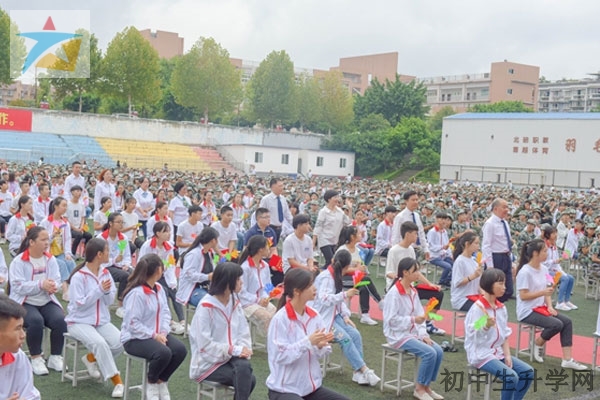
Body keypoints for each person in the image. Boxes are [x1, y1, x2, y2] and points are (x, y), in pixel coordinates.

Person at [266, 269, 349, 400]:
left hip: (311, 389)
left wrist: (320, 346)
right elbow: (280, 356)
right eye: (310, 285)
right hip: (284, 390)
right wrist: (308, 342)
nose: (314, 288)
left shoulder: (315, 315)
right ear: (297, 291)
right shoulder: (280, 319)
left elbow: (321, 352)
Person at [121, 253, 187, 400]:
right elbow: (132, 323)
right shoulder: (137, 294)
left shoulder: (159, 289)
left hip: (157, 334)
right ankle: (151, 382)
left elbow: (165, 312)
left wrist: (163, 332)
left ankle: (161, 381)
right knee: (164, 353)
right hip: (135, 338)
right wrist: (154, 335)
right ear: (158, 270)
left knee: (180, 350)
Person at [65, 238, 124, 398]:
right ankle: (117, 381)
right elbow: (79, 304)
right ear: (99, 254)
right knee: (100, 343)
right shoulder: (79, 277)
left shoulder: (106, 273)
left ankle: (91, 358)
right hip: (78, 321)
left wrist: (105, 292)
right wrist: (99, 290)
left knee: (120, 341)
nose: (109, 254)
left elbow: (109, 300)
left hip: (101, 321)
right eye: (107, 251)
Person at [311, 250, 380, 386]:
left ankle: (357, 372)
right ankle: (364, 370)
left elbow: (339, 301)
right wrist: (345, 295)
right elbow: (324, 299)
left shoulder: (335, 275)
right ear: (347, 267)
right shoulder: (327, 277)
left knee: (355, 334)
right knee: (346, 339)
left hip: (334, 316)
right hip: (322, 319)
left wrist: (345, 315)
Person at [515, 239, 587, 370]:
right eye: (544, 251)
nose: (547, 254)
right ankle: (537, 343)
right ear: (535, 253)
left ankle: (567, 359)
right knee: (556, 324)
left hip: (541, 308)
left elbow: (547, 288)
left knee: (567, 322)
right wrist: (543, 292)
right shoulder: (524, 272)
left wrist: (550, 306)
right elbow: (523, 296)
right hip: (527, 311)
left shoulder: (544, 269)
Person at [189, 262, 256, 399]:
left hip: (230, 357)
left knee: (245, 370)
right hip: (207, 363)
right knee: (248, 378)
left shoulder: (234, 302)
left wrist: (244, 349)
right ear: (227, 282)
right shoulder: (206, 308)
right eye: (238, 279)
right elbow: (204, 346)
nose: (241, 282)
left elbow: (243, 331)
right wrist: (233, 350)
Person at [464, 269, 534, 400]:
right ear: (489, 284)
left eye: (504, 283)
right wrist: (486, 325)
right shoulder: (478, 309)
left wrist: (507, 355)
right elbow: (472, 332)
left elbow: (504, 335)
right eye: (500, 284)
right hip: (481, 354)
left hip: (497, 352)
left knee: (527, 372)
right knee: (511, 377)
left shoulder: (501, 308)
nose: (504, 287)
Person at [383, 257, 444, 400]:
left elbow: (420, 315)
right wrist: (413, 320)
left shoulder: (413, 291)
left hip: (412, 333)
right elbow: (391, 321)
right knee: (429, 353)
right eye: (415, 271)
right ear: (405, 273)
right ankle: (419, 389)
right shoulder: (394, 293)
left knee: (438, 351)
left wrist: (423, 334)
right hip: (397, 335)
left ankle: (426, 386)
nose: (418, 274)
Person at [8, 227, 67, 376]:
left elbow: (57, 279)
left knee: (60, 320)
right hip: (24, 302)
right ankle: (36, 358)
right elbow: (18, 286)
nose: (47, 243)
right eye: (43, 239)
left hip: (46, 300)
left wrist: (53, 286)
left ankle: (55, 356)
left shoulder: (50, 259)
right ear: (31, 242)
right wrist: (40, 285)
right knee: (35, 321)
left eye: (48, 239)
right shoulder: (19, 261)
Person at [386, 221, 446, 335]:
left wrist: (430, 284)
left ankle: (428, 322)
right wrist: (403, 277)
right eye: (415, 234)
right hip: (397, 288)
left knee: (438, 294)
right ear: (407, 234)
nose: (417, 236)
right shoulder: (394, 251)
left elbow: (416, 271)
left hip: (411, 287)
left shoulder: (411, 250)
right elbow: (389, 273)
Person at [139, 222, 185, 335]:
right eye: (165, 231)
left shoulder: (168, 247)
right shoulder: (147, 246)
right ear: (158, 233)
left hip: (162, 274)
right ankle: (169, 321)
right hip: (149, 276)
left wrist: (172, 281)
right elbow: (141, 263)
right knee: (163, 291)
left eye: (169, 231)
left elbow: (170, 264)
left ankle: (182, 320)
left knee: (174, 291)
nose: (168, 234)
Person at [335, 226, 382, 325]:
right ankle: (380, 302)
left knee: (364, 285)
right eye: (358, 234)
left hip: (355, 278)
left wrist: (361, 268)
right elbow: (340, 269)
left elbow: (360, 265)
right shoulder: (342, 250)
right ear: (352, 237)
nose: (361, 235)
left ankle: (365, 315)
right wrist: (356, 269)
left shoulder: (358, 250)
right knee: (365, 280)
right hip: (342, 279)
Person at [0, 295, 41, 400]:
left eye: (22, 328)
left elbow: (31, 395)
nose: (23, 335)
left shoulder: (17, 356)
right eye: (17, 328)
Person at [238, 235, 277, 336]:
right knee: (266, 317)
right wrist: (258, 300)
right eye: (267, 247)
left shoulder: (265, 266)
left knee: (277, 314)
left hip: (261, 301)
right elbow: (241, 292)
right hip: (246, 303)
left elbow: (268, 286)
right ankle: (271, 342)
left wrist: (266, 298)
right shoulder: (245, 268)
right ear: (260, 249)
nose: (269, 249)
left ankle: (274, 340)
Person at [97, 212, 133, 318]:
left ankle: (130, 302)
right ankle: (120, 304)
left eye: (122, 222)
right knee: (124, 276)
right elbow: (100, 259)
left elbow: (126, 255)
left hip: (119, 265)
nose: (121, 225)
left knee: (135, 274)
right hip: (105, 266)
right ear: (110, 223)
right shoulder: (102, 238)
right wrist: (114, 260)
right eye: (118, 222)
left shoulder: (123, 238)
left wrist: (126, 264)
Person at [40, 197, 76, 299]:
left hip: (60, 252)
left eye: (66, 206)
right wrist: (52, 235)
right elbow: (42, 240)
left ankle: (74, 287)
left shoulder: (65, 223)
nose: (65, 208)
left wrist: (68, 253)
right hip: (47, 253)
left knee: (71, 263)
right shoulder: (46, 222)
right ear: (56, 206)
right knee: (61, 264)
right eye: (63, 205)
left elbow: (68, 239)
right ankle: (65, 291)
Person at [176, 227, 219, 307]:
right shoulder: (194, 254)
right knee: (210, 302)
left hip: (207, 287)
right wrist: (207, 277)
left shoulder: (209, 253)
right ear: (213, 240)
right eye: (217, 240)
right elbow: (189, 274)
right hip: (192, 290)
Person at [482, 198, 514, 303]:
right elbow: (486, 245)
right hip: (496, 257)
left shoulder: (505, 222)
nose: (507, 210)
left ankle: (499, 305)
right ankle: (493, 307)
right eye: (504, 207)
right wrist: (490, 266)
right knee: (495, 288)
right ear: (495, 209)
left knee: (508, 289)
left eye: (507, 207)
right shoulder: (490, 224)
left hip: (506, 256)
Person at [541, 225, 578, 311]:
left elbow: (556, 264)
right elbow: (542, 263)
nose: (556, 235)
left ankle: (566, 300)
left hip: (554, 271)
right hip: (546, 274)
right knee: (565, 278)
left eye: (556, 233)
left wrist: (561, 270)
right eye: (553, 233)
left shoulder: (554, 246)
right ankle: (560, 302)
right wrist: (554, 261)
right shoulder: (544, 246)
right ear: (548, 235)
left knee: (570, 278)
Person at [313, 190, 351, 269]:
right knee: (331, 261)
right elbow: (318, 227)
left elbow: (348, 222)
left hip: (334, 240)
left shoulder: (340, 211)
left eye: (338, 197)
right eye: (335, 197)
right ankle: (320, 273)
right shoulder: (323, 212)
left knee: (335, 262)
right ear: (329, 199)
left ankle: (320, 272)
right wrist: (313, 242)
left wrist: (350, 208)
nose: (337, 199)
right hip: (324, 240)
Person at [391, 190, 430, 260]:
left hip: (417, 249)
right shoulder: (400, 217)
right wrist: (395, 253)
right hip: (404, 250)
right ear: (406, 201)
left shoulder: (417, 216)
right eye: (413, 200)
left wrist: (426, 249)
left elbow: (421, 233)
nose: (415, 202)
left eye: (417, 200)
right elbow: (395, 236)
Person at [451, 231, 483, 311]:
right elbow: (457, 282)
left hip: (473, 296)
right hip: (462, 299)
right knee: (481, 310)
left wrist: (483, 293)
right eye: (476, 243)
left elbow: (478, 283)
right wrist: (473, 276)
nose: (478, 246)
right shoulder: (460, 261)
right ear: (467, 244)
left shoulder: (474, 260)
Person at [259, 178, 293, 243]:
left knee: (275, 246)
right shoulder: (266, 199)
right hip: (269, 228)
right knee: (268, 246)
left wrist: (295, 225)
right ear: (273, 187)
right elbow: (261, 214)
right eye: (280, 186)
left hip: (280, 229)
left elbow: (287, 214)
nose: (282, 188)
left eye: (282, 185)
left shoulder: (283, 199)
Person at [66, 185, 92, 256]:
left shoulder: (81, 204)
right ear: (72, 192)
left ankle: (85, 253)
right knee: (79, 235)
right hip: (70, 228)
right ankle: (73, 253)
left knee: (89, 235)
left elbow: (83, 218)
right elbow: (66, 219)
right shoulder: (68, 204)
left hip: (79, 228)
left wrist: (81, 227)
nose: (79, 193)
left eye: (80, 191)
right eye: (77, 191)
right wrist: (75, 229)